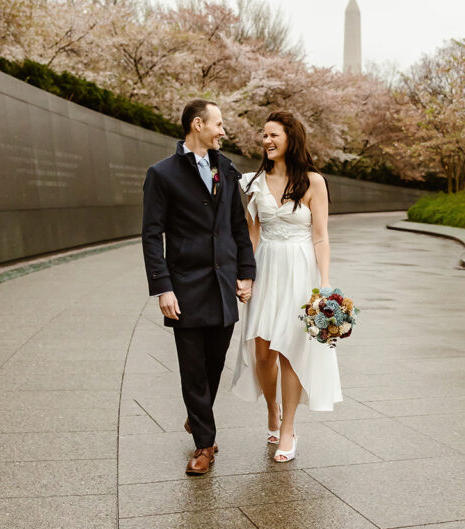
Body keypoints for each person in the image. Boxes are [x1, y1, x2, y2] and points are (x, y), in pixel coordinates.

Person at [141, 99, 256, 476]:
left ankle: (197, 414)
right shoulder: (162, 174)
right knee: (192, 369)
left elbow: (238, 227)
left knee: (214, 364)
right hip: (185, 288)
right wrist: (163, 287)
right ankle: (204, 445)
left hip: (224, 286)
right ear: (197, 125)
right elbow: (151, 234)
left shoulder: (227, 169)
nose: (223, 130)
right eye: (218, 124)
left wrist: (246, 272)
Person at [231, 111, 343, 462]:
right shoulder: (250, 183)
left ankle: (289, 428)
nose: (266, 141)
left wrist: (324, 284)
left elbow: (321, 237)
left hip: (299, 270)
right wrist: (245, 274)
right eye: (263, 135)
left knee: (291, 351)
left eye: (274, 135)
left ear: (291, 138)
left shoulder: (313, 182)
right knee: (262, 351)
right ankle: (272, 408)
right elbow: (252, 234)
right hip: (265, 266)